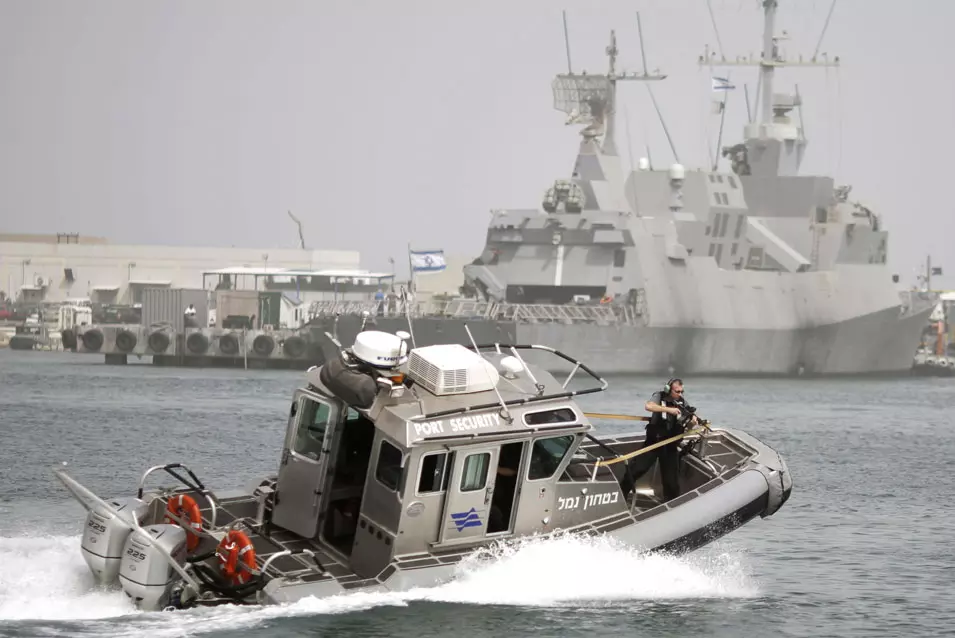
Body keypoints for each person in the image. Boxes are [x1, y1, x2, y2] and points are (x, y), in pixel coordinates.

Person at [619, 378, 697, 503]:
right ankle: (621, 496)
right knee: (636, 470)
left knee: (671, 481)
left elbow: (688, 427)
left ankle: (671, 506)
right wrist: (668, 409)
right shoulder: (659, 396)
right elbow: (648, 406)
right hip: (654, 442)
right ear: (668, 389)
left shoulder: (683, 403)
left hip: (670, 446)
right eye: (677, 391)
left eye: (682, 392)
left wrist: (692, 423)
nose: (680, 394)